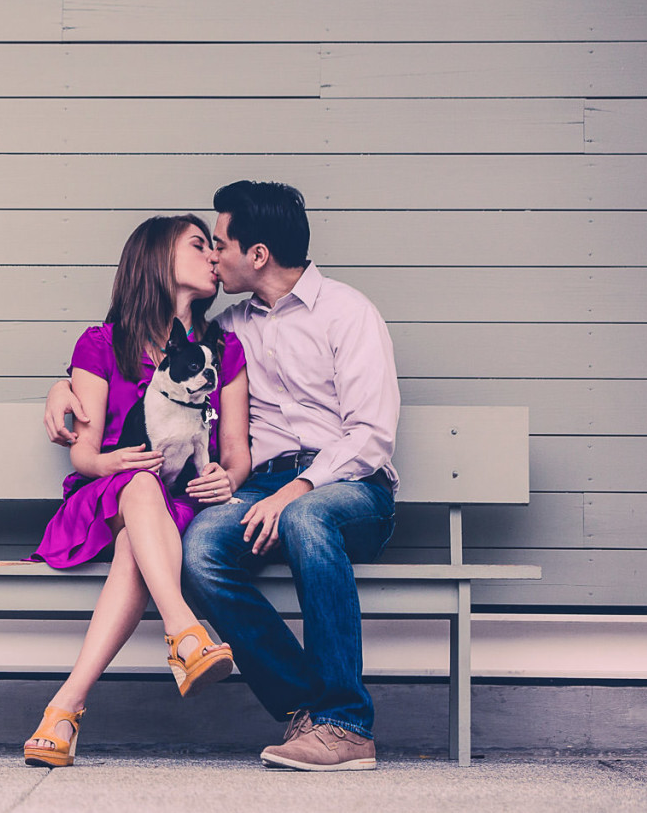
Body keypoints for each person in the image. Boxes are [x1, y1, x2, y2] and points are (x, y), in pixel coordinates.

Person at [43, 181, 399, 771]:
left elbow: (370, 436)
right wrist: (59, 389)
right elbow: (132, 360)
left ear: (256, 255)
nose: (214, 255)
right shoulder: (232, 330)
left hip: (352, 488)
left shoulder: (348, 312)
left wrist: (296, 488)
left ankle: (346, 722)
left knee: (307, 516)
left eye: (221, 243)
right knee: (202, 547)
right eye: (203, 245)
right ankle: (307, 712)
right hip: (258, 488)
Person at [23, 214, 251, 768]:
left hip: (175, 511)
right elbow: (82, 452)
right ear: (157, 259)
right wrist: (110, 460)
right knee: (141, 484)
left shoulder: (226, 349)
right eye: (199, 246)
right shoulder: (103, 343)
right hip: (103, 497)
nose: (214, 258)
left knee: (139, 536)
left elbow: (236, 450)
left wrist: (230, 476)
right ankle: (185, 631)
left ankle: (64, 710)